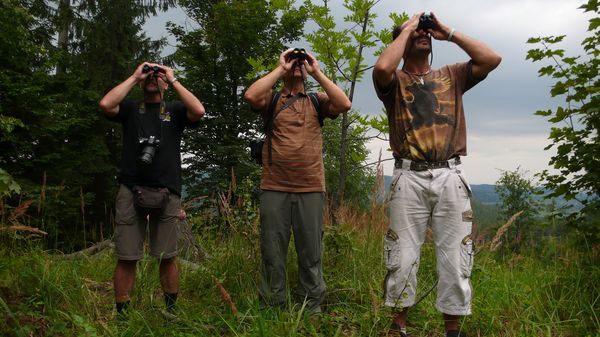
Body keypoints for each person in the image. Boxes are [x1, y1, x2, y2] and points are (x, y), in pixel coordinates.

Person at [372, 12, 501, 337]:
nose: (422, 34)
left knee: (457, 255)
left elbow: (492, 58)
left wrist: (449, 31)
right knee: (402, 255)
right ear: (400, 41)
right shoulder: (395, 82)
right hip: (408, 176)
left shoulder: (453, 74)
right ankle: (399, 325)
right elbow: (383, 68)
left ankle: (452, 329)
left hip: (449, 175)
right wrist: (409, 28)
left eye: (424, 32)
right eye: (415, 33)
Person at [243, 48, 351, 313]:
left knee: (311, 252)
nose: (296, 65)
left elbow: (344, 104)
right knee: (272, 251)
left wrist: (315, 70)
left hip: (311, 187)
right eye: (294, 61)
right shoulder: (272, 99)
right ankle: (272, 305)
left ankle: (310, 305)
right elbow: (251, 95)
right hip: (274, 186)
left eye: (299, 63)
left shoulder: (316, 100)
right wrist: (281, 67)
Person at [99, 62, 205, 316]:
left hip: (168, 190)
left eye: (157, 76)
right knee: (126, 256)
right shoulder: (130, 108)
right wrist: (136, 76)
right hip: (130, 187)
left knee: (167, 256)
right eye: (149, 75)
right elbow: (105, 104)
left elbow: (199, 111)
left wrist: (173, 79)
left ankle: (170, 311)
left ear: (166, 84)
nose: (152, 78)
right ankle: (122, 315)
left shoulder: (176, 110)